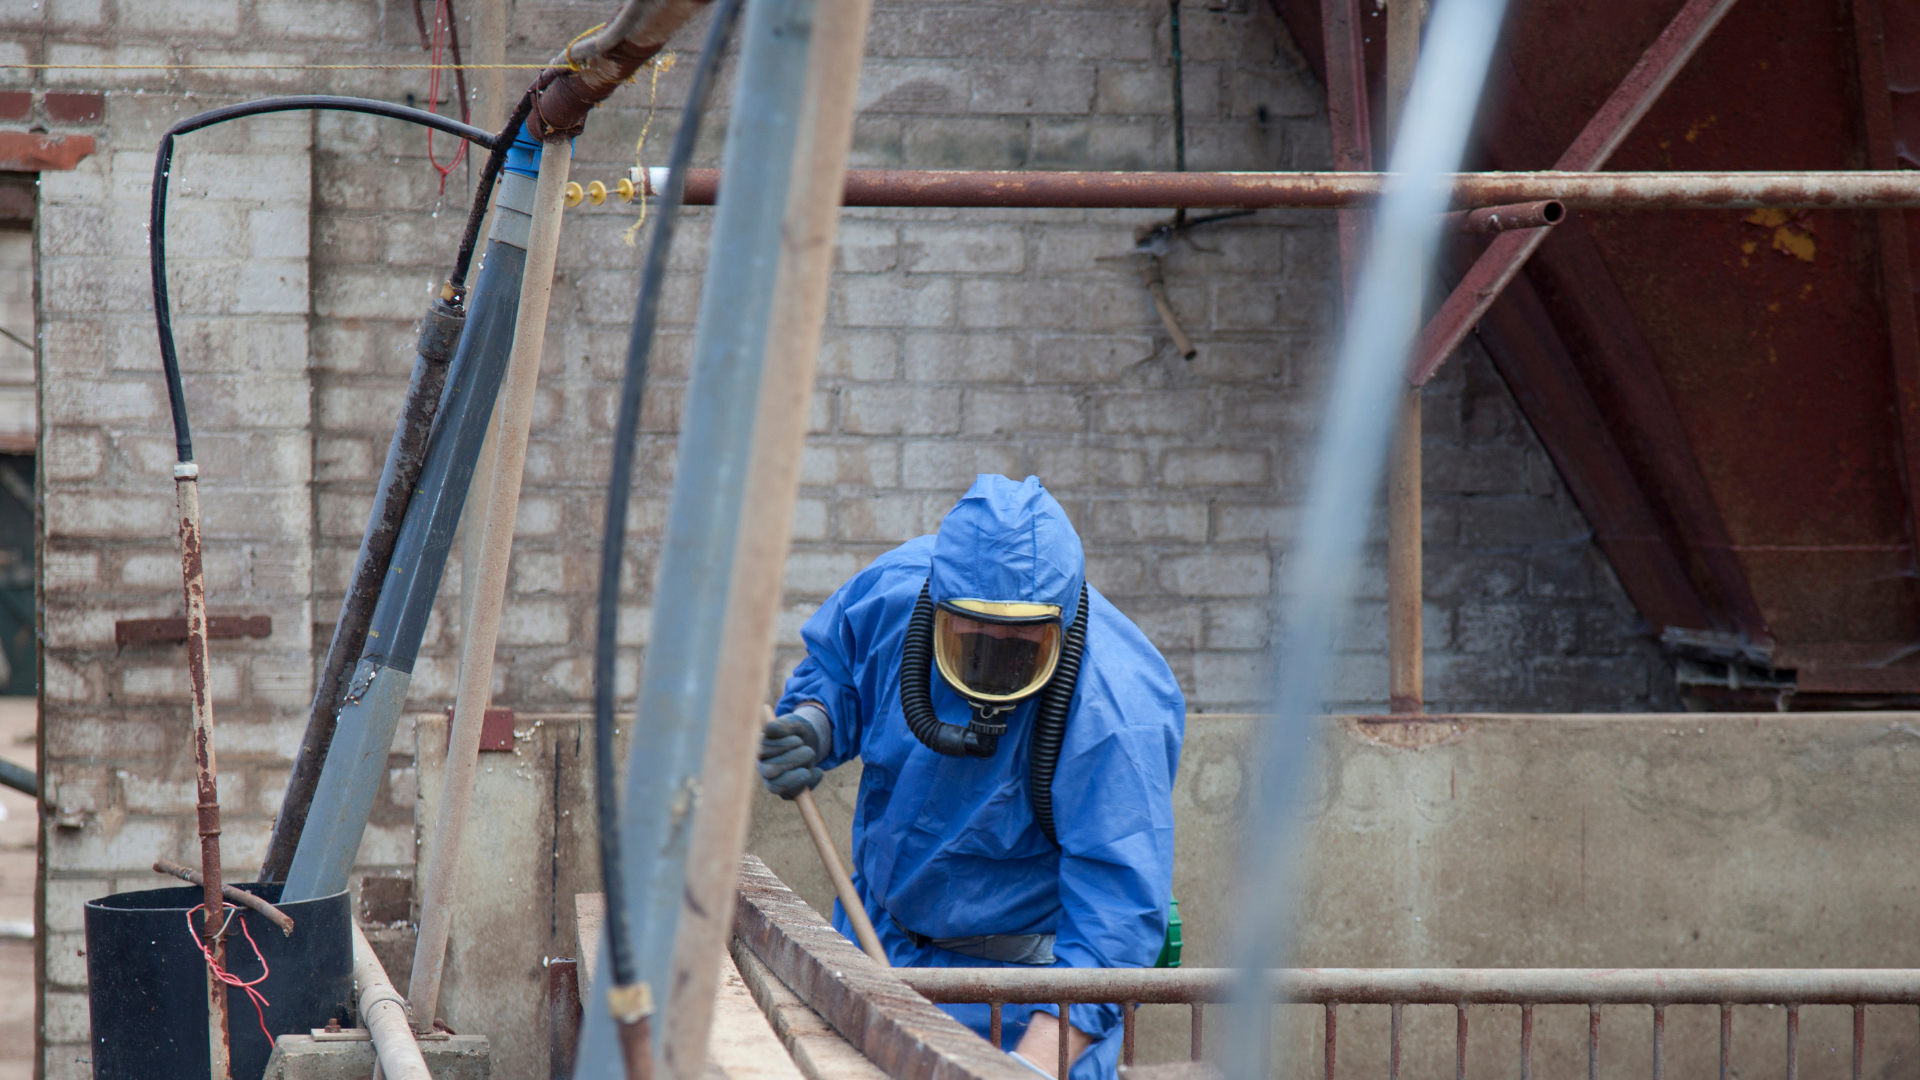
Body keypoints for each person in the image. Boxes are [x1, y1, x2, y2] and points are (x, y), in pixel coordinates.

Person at [759, 474, 1185, 1080]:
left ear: (1059, 624)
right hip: (873, 949)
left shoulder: (1114, 711)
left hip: (1022, 997)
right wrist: (814, 723)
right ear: (939, 603)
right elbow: (841, 671)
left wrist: (1031, 1068)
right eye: (975, 641)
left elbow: (1111, 928)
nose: (996, 664)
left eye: (1022, 646)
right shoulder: (896, 595)